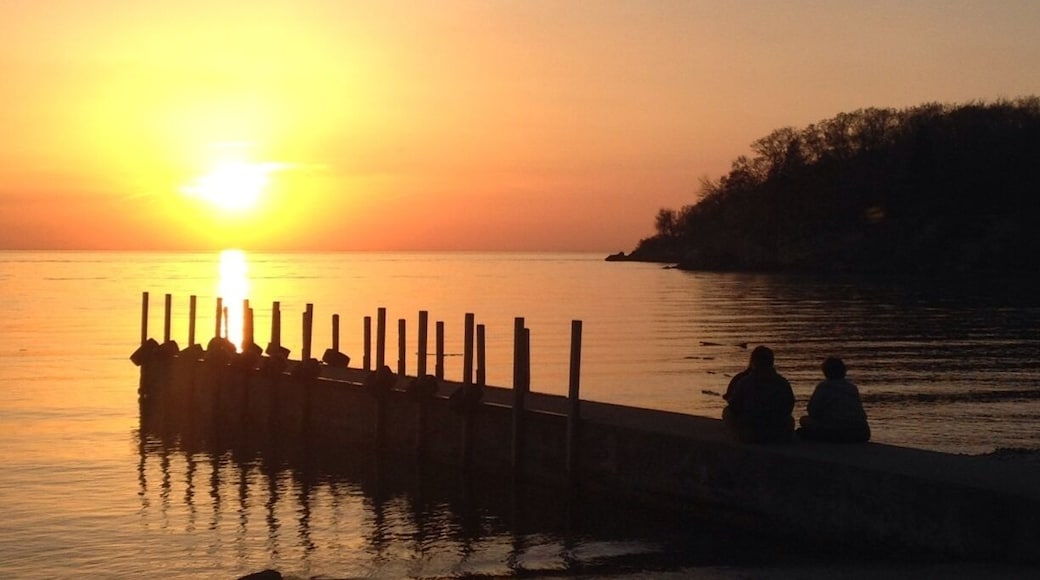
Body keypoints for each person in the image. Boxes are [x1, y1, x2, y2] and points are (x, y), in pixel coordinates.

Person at [722, 346, 795, 443]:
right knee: (790, 419)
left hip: (751, 435)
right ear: (772, 362)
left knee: (727, 411)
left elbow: (734, 406)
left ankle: (735, 437)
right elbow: (789, 406)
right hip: (777, 434)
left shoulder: (745, 382)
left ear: (754, 361)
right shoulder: (783, 383)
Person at [797, 357, 871, 443]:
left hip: (836, 431)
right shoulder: (852, 387)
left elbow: (812, 411)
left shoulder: (823, 387)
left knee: (804, 420)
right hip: (861, 432)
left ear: (825, 372)